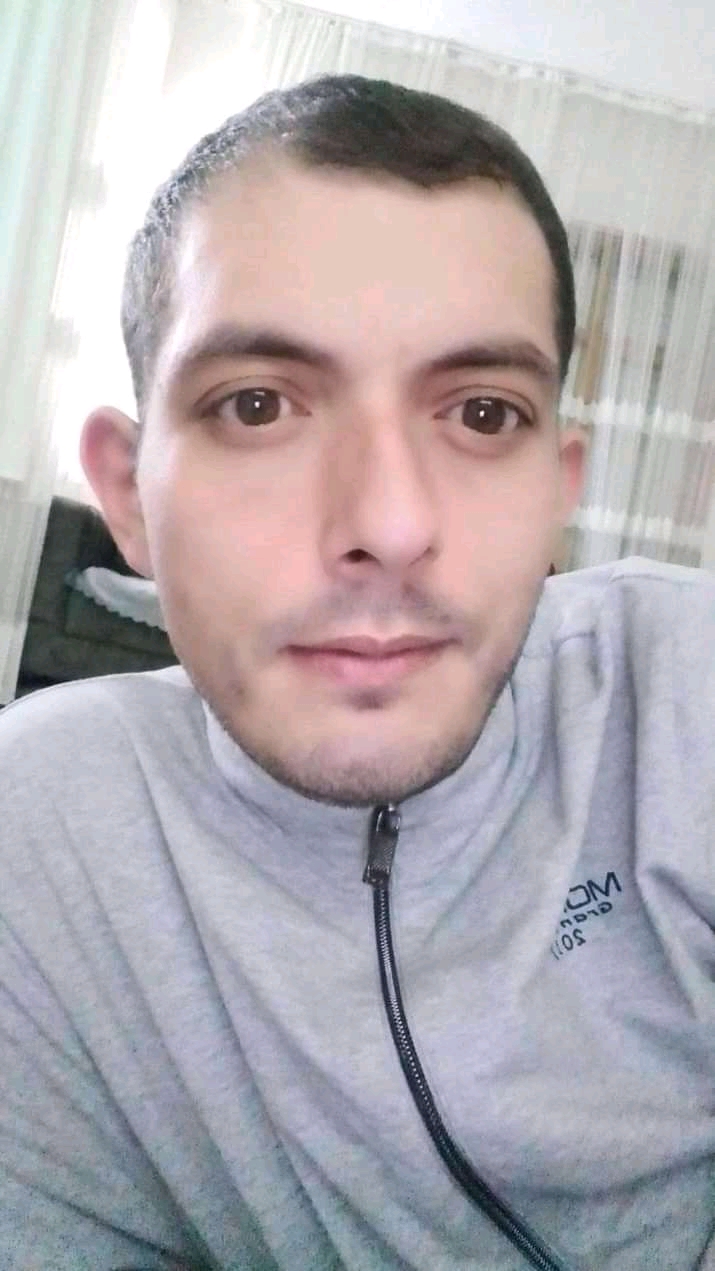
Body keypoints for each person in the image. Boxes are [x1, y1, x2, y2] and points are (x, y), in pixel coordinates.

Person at [0, 73, 713, 1271]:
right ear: (128, 491)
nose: (388, 522)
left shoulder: (686, 693)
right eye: (258, 404)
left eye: (481, 414)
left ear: (556, 491)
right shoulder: (36, 842)